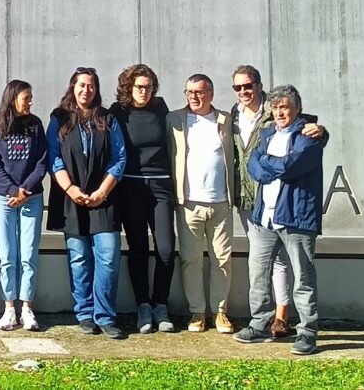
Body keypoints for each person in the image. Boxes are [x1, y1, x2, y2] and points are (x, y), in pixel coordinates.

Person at [230, 64, 326, 338]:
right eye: (275, 108)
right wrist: (274, 164)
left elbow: (290, 166)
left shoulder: (308, 136)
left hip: (296, 217)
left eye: (285, 107)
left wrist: (269, 163)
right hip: (264, 218)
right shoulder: (268, 134)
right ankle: (259, 323)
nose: (280, 113)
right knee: (258, 274)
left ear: (297, 109)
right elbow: (254, 167)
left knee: (303, 278)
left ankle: (307, 332)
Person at [49, 67, 127, 338]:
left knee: (108, 256)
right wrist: (70, 189)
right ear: (73, 87)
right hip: (71, 198)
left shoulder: (108, 118)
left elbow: (119, 158)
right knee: (79, 259)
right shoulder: (59, 118)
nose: (86, 90)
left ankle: (105, 316)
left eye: (91, 85)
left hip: (104, 199)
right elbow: (53, 157)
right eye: (81, 85)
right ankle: (84, 313)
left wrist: (102, 192)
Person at [167, 73, 235, 334]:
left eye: (199, 91)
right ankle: (197, 311)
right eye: (189, 92)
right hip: (188, 203)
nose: (193, 96)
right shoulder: (174, 119)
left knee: (222, 259)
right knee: (190, 260)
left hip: (221, 202)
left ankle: (220, 312)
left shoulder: (225, 120)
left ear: (211, 94)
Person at [111, 64, 177, 333]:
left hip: (161, 186)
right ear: (129, 88)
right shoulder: (118, 112)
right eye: (139, 87)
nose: (144, 92)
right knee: (138, 248)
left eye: (149, 87)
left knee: (165, 249)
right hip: (131, 187)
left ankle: (161, 304)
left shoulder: (161, 108)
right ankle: (143, 306)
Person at [0, 79, 48, 332]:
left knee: (28, 255)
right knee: (7, 256)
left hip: (32, 197)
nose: (30, 102)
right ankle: (9, 308)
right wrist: (12, 190)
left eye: (31, 97)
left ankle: (27, 308)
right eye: (26, 98)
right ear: (12, 98)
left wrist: (25, 190)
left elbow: (42, 162)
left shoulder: (35, 124)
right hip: (3, 199)